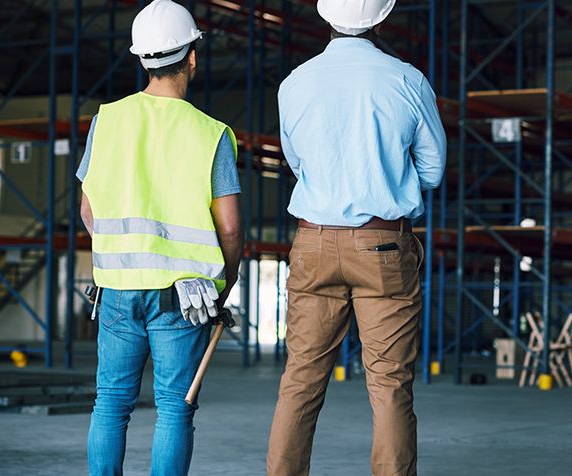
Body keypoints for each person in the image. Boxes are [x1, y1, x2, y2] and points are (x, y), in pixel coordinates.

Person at [266, 0, 447, 475]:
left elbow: (298, 163)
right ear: (382, 19)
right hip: (383, 246)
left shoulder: (295, 83)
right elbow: (432, 169)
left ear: (326, 18)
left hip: (313, 243)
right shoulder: (407, 80)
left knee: (300, 380)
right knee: (388, 386)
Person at [77, 1, 243, 474]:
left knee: (110, 404)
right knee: (174, 408)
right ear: (192, 56)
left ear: (142, 59)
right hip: (183, 297)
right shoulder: (211, 134)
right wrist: (221, 286)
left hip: (115, 292)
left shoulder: (106, 120)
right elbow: (229, 228)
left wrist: (119, 256)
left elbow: (88, 209)